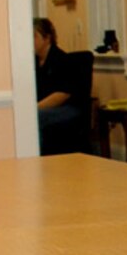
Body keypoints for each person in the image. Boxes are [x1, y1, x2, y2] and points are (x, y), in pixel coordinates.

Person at [33, 17, 87, 155]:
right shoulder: (32, 62)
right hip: (43, 106)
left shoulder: (62, 60)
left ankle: (38, 159)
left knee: (35, 117)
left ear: (47, 38)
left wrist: (34, 108)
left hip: (67, 107)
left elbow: (62, 94)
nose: (30, 41)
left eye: (34, 36)